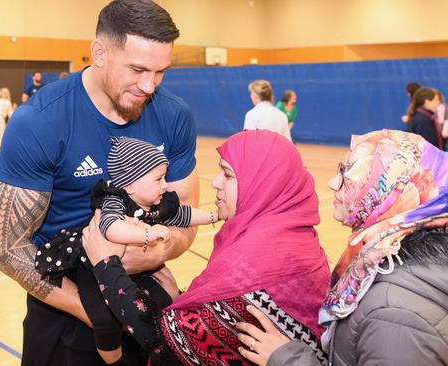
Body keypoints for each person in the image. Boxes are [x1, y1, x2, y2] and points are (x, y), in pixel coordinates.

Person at [0, 1, 199, 365]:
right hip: (64, 307)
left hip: (142, 297)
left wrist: (158, 251)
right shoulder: (40, 121)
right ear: (99, 52)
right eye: (137, 69)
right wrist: (94, 310)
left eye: (161, 71)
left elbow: (182, 217)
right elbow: (8, 249)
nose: (149, 85)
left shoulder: (174, 115)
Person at [235, 129, 448, 366]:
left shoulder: (395, 311)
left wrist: (286, 359)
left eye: (348, 171)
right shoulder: (399, 262)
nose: (332, 181)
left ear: (393, 191)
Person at [82, 130, 331, 365]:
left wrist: (106, 267)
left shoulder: (253, 267)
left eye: (228, 175)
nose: (215, 182)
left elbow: (166, 344)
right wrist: (181, 299)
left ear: (262, 184)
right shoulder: (293, 241)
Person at [34, 136, 218, 364]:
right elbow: (112, 227)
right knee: (103, 320)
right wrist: (147, 234)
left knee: (166, 300)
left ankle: (156, 351)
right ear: (130, 184)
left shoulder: (156, 202)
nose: (165, 185)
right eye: (159, 179)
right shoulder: (114, 200)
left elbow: (184, 214)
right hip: (91, 270)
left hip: (129, 269)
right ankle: (115, 361)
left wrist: (213, 216)